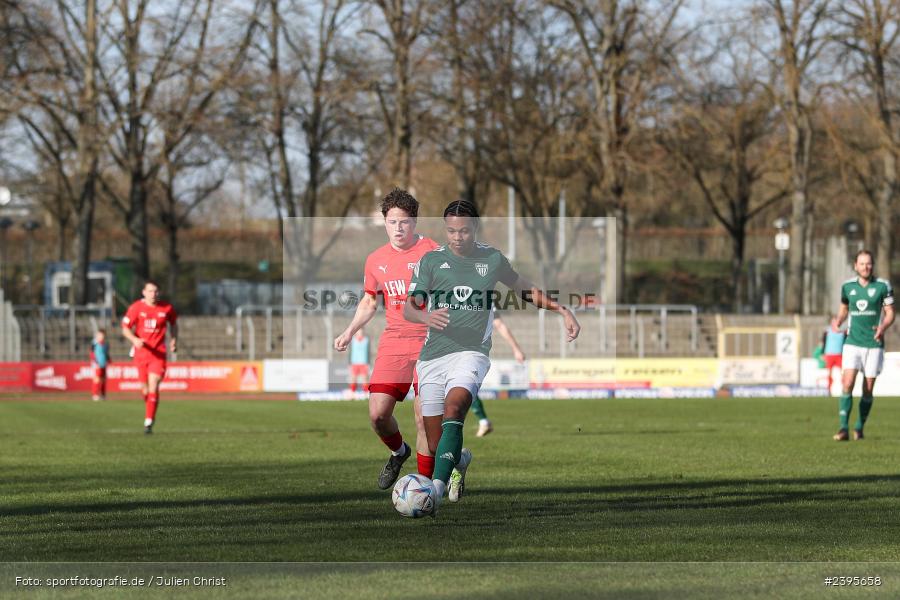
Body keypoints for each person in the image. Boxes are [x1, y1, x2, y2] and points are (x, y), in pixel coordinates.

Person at [404, 200, 580, 512]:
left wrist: (561, 308)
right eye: (451, 231)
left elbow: (524, 288)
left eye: (464, 231)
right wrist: (425, 318)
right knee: (434, 444)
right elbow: (410, 306)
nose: (458, 237)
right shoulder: (430, 262)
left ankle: (437, 491)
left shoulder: (492, 258)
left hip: (472, 352)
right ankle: (460, 460)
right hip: (432, 356)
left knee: (455, 408)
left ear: (475, 229)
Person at [333, 189, 439, 489]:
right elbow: (369, 302)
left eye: (404, 222)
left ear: (414, 222)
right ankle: (399, 452)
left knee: (424, 420)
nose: (398, 228)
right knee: (378, 415)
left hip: (430, 342)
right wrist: (349, 331)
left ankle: (424, 487)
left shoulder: (433, 252)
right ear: (384, 222)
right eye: (392, 222)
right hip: (394, 342)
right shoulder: (375, 260)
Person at [830, 250, 894, 441]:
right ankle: (843, 428)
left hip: (873, 344)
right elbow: (843, 308)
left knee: (867, 389)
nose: (866, 267)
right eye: (862, 263)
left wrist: (883, 326)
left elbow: (890, 312)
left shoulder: (883, 286)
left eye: (869, 264)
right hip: (852, 342)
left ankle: (859, 427)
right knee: (847, 383)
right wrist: (838, 320)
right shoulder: (847, 287)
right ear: (855, 266)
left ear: (872, 266)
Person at [121, 281, 178, 434]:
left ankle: (149, 421)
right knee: (145, 389)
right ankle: (149, 407)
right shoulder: (136, 308)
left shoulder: (166, 308)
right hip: (141, 354)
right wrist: (134, 340)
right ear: (143, 292)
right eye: (151, 291)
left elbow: (174, 323)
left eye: (156, 291)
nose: (154, 294)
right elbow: (125, 328)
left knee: (154, 384)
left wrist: (173, 340)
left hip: (158, 354)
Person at [470, 315, 527, 437]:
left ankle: (482, 421)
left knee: (465, 388)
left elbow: (499, 324)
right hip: (448, 350)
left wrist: (516, 349)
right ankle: (483, 421)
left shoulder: (484, 299)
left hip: (470, 352)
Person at [823, 324, 845, 395]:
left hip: (839, 354)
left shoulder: (843, 332)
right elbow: (824, 341)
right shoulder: (827, 331)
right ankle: (828, 389)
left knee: (843, 373)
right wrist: (822, 352)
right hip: (829, 354)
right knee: (829, 373)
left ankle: (844, 389)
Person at [90, 328, 110, 402]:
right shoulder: (94, 343)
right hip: (96, 364)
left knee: (103, 380)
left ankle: (103, 395)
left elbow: (106, 353)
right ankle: (95, 395)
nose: (101, 336)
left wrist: (108, 359)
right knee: (97, 379)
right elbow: (92, 353)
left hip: (103, 363)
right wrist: (95, 361)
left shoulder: (106, 344)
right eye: (100, 335)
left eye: (103, 335)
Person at [348, 329, 371, 393]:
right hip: (354, 362)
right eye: (358, 332)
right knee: (353, 378)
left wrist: (368, 363)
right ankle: (352, 392)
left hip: (364, 362)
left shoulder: (366, 340)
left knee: (365, 378)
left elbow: (368, 352)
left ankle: (366, 392)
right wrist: (349, 363)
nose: (360, 333)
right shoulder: (353, 340)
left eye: (361, 331)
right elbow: (350, 352)